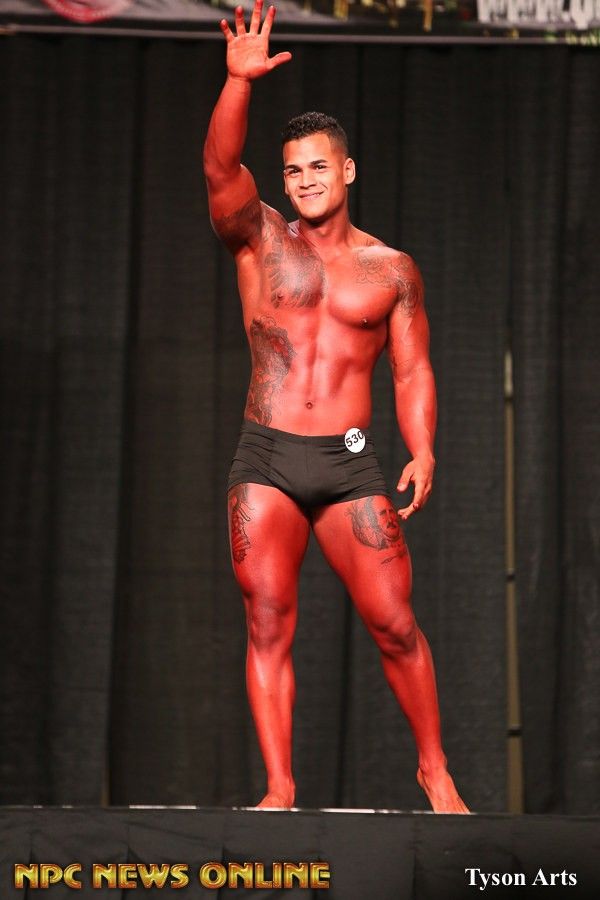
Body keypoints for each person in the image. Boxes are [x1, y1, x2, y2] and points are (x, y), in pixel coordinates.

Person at [203, 0, 468, 813]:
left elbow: (412, 371)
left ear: (347, 171)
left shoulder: (391, 270)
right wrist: (239, 84)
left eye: (319, 167)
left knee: (395, 623)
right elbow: (220, 168)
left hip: (349, 464)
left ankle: (434, 770)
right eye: (293, 171)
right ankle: (280, 788)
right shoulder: (259, 239)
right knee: (267, 620)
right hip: (268, 455)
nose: (306, 180)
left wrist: (423, 448)